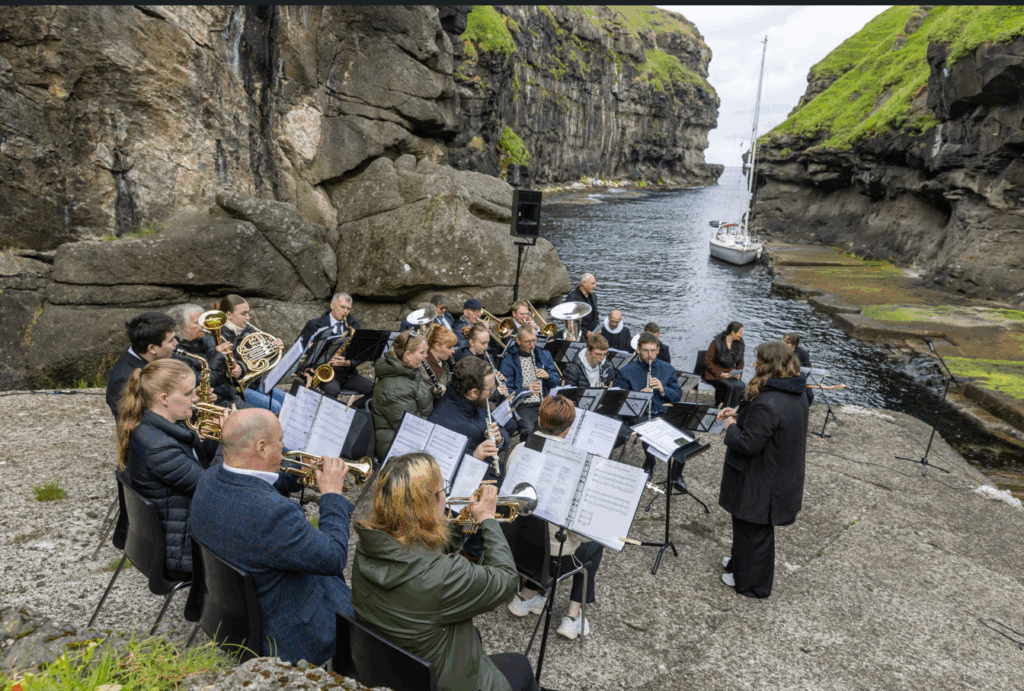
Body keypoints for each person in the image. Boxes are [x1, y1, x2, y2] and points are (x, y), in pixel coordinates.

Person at [352, 452, 538, 691]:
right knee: (520, 664)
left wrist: (464, 521)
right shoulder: (442, 574)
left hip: (401, 670)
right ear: (426, 504)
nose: (446, 496)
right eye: (442, 491)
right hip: (447, 683)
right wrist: (489, 519)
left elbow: (421, 553)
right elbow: (506, 580)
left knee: (476, 636)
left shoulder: (370, 547)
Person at [189, 408, 355, 665]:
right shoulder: (275, 514)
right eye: (280, 440)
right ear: (263, 447)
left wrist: (295, 475)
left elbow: (250, 489)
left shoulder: (209, 478)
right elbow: (334, 557)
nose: (285, 445)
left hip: (229, 612)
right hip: (291, 632)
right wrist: (331, 494)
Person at [505, 396, 604, 640]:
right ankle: (572, 616)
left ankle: (527, 594)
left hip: (515, 547)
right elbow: (581, 533)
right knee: (597, 541)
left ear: (539, 420)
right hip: (552, 559)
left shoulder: (520, 449)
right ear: (569, 430)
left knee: (543, 528)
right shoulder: (575, 466)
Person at [716, 341, 808, 599]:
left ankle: (752, 585)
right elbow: (768, 425)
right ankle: (739, 565)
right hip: (776, 473)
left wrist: (732, 425)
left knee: (755, 532)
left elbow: (747, 444)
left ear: (770, 365)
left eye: (758, 360)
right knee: (745, 528)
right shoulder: (794, 392)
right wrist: (740, 413)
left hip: (763, 481)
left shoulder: (768, 402)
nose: (754, 363)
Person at [116, 358, 210, 574]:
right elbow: (211, 491)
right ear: (164, 398)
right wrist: (234, 443)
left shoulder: (151, 428)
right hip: (183, 551)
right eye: (188, 394)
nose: (195, 399)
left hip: (176, 531)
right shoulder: (160, 448)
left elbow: (194, 461)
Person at [615, 332, 683, 482]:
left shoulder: (668, 369)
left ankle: (676, 475)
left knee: (687, 434)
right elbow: (619, 399)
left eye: (653, 351)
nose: (650, 355)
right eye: (646, 351)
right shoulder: (626, 371)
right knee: (648, 430)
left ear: (658, 350)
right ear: (638, 350)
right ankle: (650, 462)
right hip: (639, 414)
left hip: (663, 411)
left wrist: (662, 389)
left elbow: (678, 395)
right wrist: (638, 396)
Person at [427, 357, 508, 479]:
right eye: (490, 390)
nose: (492, 393)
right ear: (473, 392)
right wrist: (474, 457)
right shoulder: (440, 421)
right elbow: (441, 473)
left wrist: (500, 439)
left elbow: (501, 429)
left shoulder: (478, 402)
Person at [207, 294, 286, 412]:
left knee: (286, 400)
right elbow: (216, 369)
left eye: (248, 313)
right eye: (243, 314)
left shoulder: (247, 331)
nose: (248, 318)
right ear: (229, 315)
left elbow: (259, 363)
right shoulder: (217, 337)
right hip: (234, 389)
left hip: (254, 383)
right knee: (275, 407)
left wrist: (272, 348)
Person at [296, 292, 374, 406]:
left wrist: (349, 363)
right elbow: (299, 350)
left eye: (348, 309)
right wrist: (306, 371)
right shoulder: (313, 325)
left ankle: (351, 411)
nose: (345, 312)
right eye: (342, 307)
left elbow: (361, 353)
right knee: (332, 391)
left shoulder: (353, 325)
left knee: (375, 391)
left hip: (347, 373)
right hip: (322, 372)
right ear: (332, 305)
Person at [370, 331, 435, 459]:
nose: (426, 356)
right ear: (407, 355)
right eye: (422, 353)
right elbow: (412, 428)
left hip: (413, 433)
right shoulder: (394, 388)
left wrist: (434, 393)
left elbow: (417, 394)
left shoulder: (408, 369)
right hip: (397, 445)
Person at [106, 312, 178, 418]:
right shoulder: (123, 379)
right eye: (171, 340)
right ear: (152, 348)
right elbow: (137, 421)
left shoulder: (159, 356)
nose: (176, 343)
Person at [499, 322, 561, 437]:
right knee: (529, 430)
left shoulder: (544, 355)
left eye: (534, 340)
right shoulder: (508, 361)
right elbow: (506, 392)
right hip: (523, 405)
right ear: (518, 341)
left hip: (545, 401)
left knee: (559, 426)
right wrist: (527, 390)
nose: (532, 345)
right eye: (527, 342)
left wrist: (547, 376)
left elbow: (557, 382)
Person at [456, 324, 510, 401]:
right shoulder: (465, 362)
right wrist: (495, 393)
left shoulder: (484, 354)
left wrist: (495, 377)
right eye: (483, 343)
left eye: (487, 343)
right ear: (471, 342)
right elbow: (474, 396)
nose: (486, 346)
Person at [705, 321, 746, 410]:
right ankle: (720, 408)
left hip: (730, 372)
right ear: (733, 332)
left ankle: (733, 410)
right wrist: (720, 374)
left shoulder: (740, 344)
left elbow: (740, 362)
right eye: (740, 333)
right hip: (714, 372)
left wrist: (738, 374)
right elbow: (708, 362)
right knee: (728, 387)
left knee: (741, 386)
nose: (741, 335)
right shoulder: (716, 343)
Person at [422, 324, 457, 398]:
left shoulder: (444, 363)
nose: (453, 351)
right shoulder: (421, 365)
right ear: (437, 346)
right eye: (449, 347)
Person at [561, 272, 599, 340]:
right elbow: (569, 322)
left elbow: (596, 316)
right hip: (579, 334)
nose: (595, 286)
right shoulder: (572, 298)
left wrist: (597, 329)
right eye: (592, 283)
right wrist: (585, 332)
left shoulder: (593, 296)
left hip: (593, 332)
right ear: (584, 283)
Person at [783, 332, 814, 406]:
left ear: (794, 345)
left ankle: (804, 411)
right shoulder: (779, 351)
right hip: (784, 377)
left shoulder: (803, 353)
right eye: (783, 341)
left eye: (787, 342)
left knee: (810, 395)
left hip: (798, 377)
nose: (784, 343)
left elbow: (807, 368)